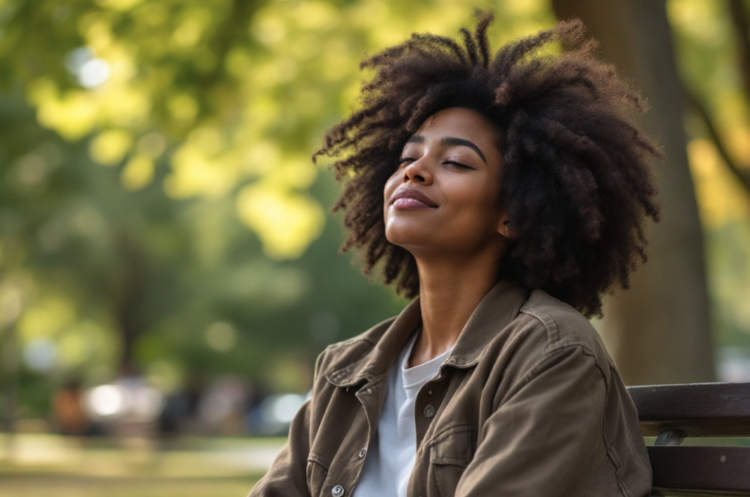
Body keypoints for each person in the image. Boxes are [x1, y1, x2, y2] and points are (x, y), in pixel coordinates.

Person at [249, 11, 659, 497]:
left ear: (514, 211)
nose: (415, 171)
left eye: (456, 162)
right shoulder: (345, 369)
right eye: (407, 157)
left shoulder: (551, 353)